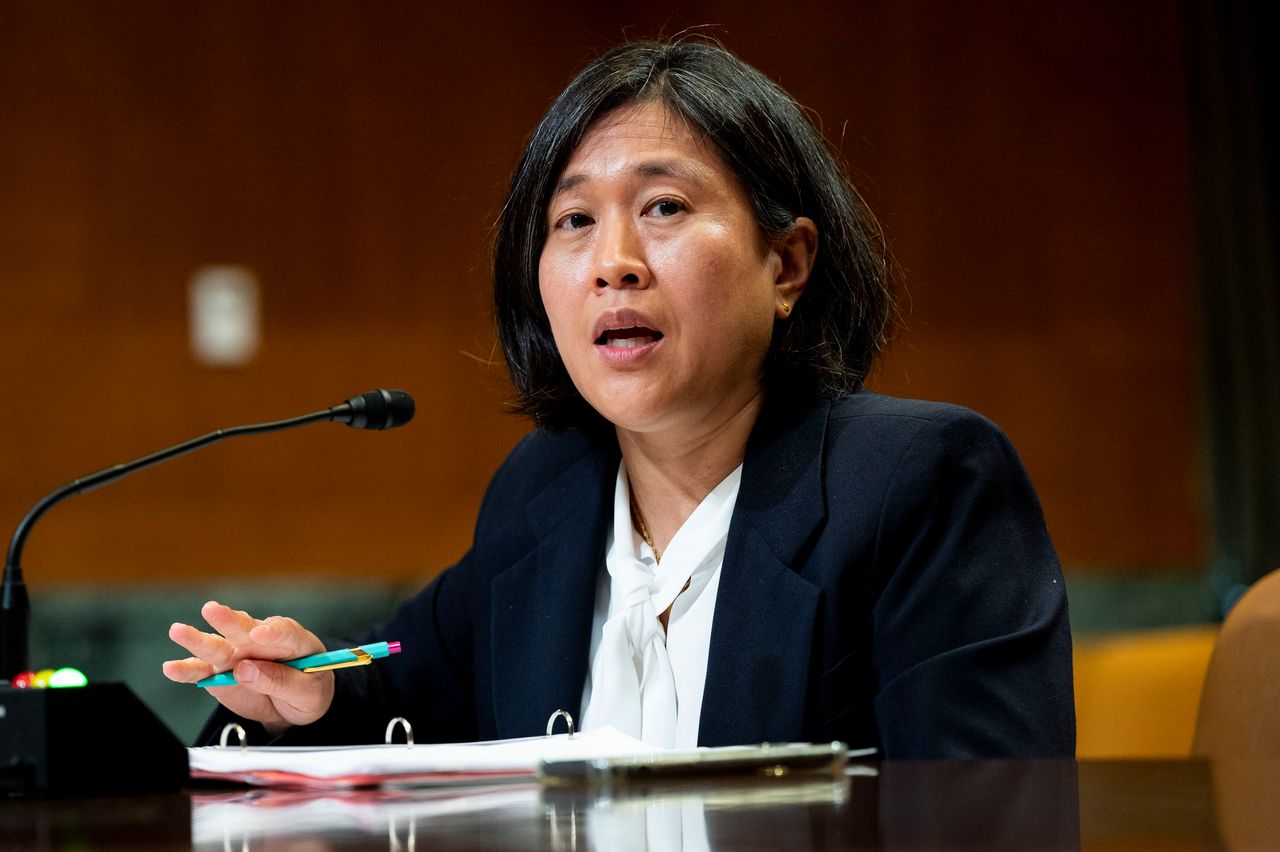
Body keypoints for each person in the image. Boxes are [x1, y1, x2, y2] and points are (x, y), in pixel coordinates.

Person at [164, 39, 1075, 759]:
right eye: (574, 221)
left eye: (664, 207)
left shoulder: (920, 485)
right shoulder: (548, 494)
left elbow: (983, 817)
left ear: (787, 264)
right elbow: (391, 693)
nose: (614, 263)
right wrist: (305, 698)